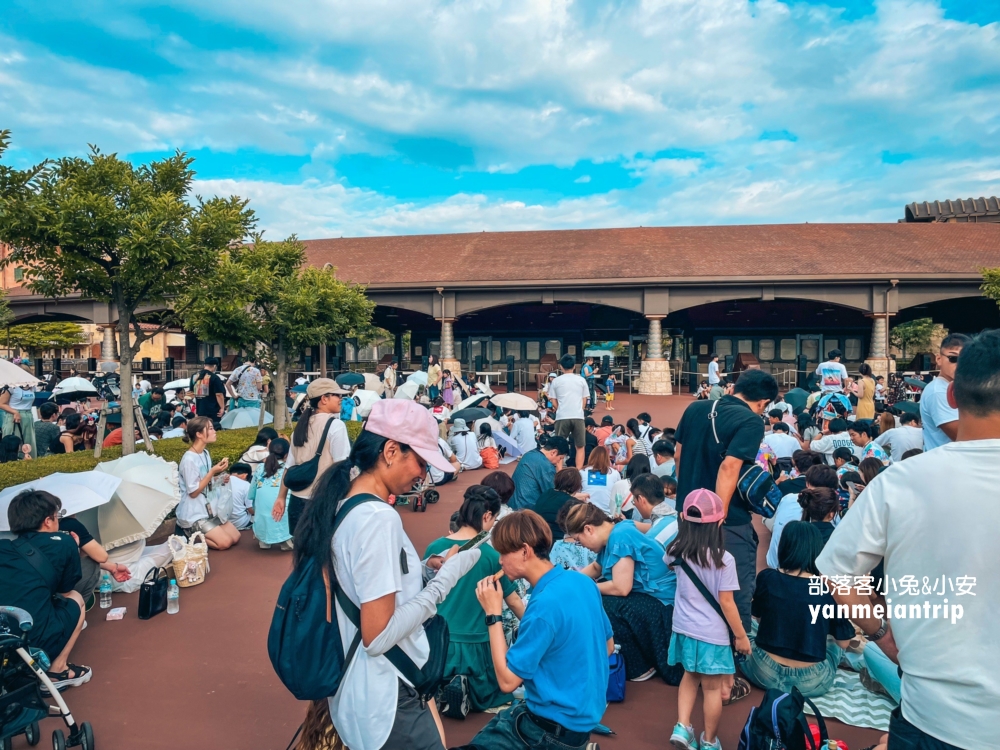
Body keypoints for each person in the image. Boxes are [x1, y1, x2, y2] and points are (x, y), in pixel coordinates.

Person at [817, 329, 1000, 750]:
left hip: (931, 716)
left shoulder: (899, 482)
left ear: (951, 395)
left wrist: (881, 633)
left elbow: (836, 573)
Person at [294, 398, 479, 750]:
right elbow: (377, 637)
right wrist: (442, 584)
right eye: (422, 462)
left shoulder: (343, 504)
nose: (423, 474)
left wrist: (423, 570)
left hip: (359, 692)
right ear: (392, 451)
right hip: (388, 696)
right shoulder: (378, 518)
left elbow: (356, 582)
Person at [463, 510, 614, 750]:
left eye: (504, 552)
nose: (500, 560)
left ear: (525, 551)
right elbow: (607, 646)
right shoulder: (583, 582)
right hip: (580, 722)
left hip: (549, 730)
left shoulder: (543, 606)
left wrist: (493, 614)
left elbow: (507, 682)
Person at [424, 486, 525, 712]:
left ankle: (445, 688)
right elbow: (514, 601)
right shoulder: (491, 556)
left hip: (438, 644)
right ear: (487, 516)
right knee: (497, 686)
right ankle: (468, 689)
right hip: (476, 646)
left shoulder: (435, 550)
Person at [666, 489, 751, 750]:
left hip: (683, 628)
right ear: (720, 522)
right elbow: (727, 603)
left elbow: (670, 565)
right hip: (712, 634)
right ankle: (710, 741)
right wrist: (741, 636)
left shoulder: (675, 550)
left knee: (689, 678)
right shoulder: (724, 559)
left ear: (683, 518)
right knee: (712, 690)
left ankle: (682, 726)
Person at [563, 502, 680, 684]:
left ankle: (639, 667)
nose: (582, 546)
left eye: (579, 540)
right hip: (656, 598)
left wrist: (582, 588)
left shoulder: (619, 536)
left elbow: (621, 587)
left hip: (664, 604)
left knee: (605, 604)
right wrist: (569, 582)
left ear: (588, 529)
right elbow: (596, 567)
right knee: (599, 591)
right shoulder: (620, 528)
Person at [743, 522, 854, 698]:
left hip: (763, 672)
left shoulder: (767, 577)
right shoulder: (827, 589)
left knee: (745, 631)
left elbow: (756, 617)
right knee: (834, 642)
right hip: (811, 682)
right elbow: (844, 643)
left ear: (784, 546)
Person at [0, 490, 91, 691]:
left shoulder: (4, 547)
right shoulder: (63, 542)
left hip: (3, 639)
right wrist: (72, 551)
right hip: (32, 640)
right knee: (75, 597)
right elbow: (65, 589)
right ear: (48, 521)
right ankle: (57, 671)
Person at [273, 378, 351, 535]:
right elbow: (343, 468)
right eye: (337, 395)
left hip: (297, 501)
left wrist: (281, 498)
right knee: (325, 554)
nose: (341, 399)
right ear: (324, 399)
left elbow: (289, 467)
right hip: (323, 501)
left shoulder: (300, 429)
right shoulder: (336, 426)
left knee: (303, 554)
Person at [176, 416, 241, 550]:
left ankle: (198, 535)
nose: (214, 431)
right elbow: (193, 492)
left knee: (235, 537)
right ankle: (189, 537)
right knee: (224, 543)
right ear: (199, 434)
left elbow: (206, 482)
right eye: (210, 429)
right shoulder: (188, 460)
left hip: (209, 510)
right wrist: (212, 472)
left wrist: (220, 478)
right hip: (194, 514)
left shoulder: (205, 453)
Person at [920, 333, 970, 451]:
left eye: (965, 359)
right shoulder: (939, 391)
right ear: (939, 359)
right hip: (947, 465)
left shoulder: (955, 388)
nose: (959, 364)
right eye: (953, 358)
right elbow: (963, 437)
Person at [249, 438, 293, 550]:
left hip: (261, 518)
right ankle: (286, 538)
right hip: (283, 517)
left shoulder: (259, 468)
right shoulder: (290, 470)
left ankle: (262, 537)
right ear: (287, 455)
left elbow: (251, 494)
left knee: (258, 499)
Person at [548, 354, 589, 470]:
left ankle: (559, 473)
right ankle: (579, 472)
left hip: (562, 416)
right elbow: (584, 401)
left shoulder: (556, 381)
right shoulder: (581, 380)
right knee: (580, 446)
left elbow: (553, 400)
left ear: (561, 366)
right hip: (578, 416)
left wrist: (559, 408)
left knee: (559, 446)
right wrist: (579, 410)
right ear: (574, 366)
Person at [509, 436, 569, 511]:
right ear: (554, 452)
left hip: (512, 504)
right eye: (560, 458)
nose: (558, 462)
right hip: (526, 510)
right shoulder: (546, 466)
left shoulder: (529, 454)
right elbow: (553, 494)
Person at [535, 468, 585, 540]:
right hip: (557, 541)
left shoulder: (546, 493)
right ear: (577, 485)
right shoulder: (573, 504)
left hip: (538, 537)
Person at [577, 446, 621, 515]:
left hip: (586, 513)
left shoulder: (582, 472)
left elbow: (577, 493)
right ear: (607, 458)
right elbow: (618, 495)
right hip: (608, 514)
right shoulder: (614, 473)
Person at [0, 382, 38, 457]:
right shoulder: (11, 388)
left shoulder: (32, 387)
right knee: (14, 441)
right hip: (13, 416)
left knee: (29, 441)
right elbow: (1, 403)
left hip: (28, 415)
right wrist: (15, 412)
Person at [192, 356, 227, 424]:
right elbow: (219, 394)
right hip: (212, 411)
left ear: (204, 365)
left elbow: (192, 393)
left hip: (200, 410)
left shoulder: (195, 377)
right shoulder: (215, 378)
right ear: (214, 366)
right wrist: (222, 408)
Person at [227, 462, 254, 531]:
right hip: (240, 522)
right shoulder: (246, 485)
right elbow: (250, 509)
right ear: (245, 475)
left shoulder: (220, 482)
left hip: (222, 522)